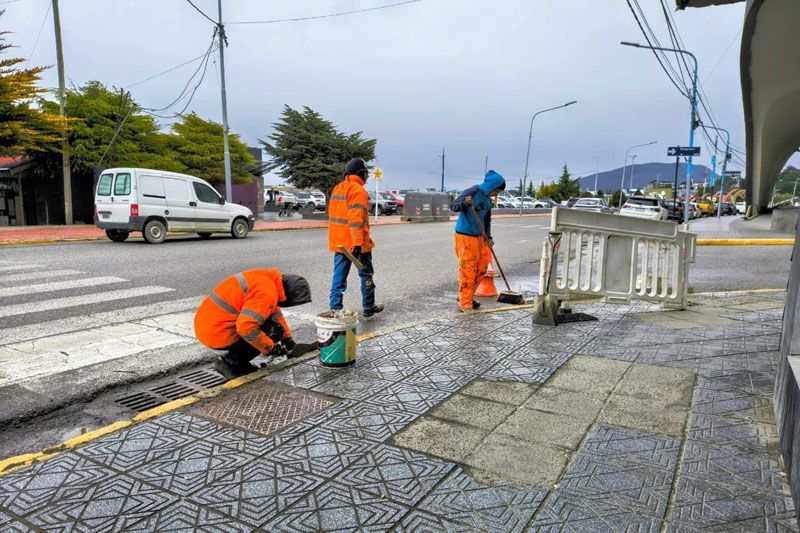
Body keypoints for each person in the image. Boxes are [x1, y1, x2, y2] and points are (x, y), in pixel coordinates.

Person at [194, 268, 312, 376]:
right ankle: (229, 363)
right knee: (273, 331)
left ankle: (240, 363)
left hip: (208, 326)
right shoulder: (267, 293)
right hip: (217, 334)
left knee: (271, 327)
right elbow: (246, 327)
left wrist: (287, 339)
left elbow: (275, 315)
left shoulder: (266, 281)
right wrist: (271, 348)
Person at [327, 157, 384, 317]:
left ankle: (335, 309)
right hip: (357, 243)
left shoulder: (338, 188)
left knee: (338, 278)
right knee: (366, 275)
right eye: (366, 173)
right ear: (360, 173)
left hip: (340, 244)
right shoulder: (358, 191)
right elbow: (355, 220)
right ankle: (368, 306)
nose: (368, 176)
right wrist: (357, 244)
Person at [450, 170, 507, 312]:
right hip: (465, 236)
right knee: (468, 270)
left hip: (479, 237)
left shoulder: (488, 200)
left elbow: (486, 220)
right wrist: (464, 202)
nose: (496, 194)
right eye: (496, 191)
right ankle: (465, 303)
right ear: (490, 186)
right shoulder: (473, 191)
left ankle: (466, 296)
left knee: (482, 269)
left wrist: (488, 237)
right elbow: (454, 206)